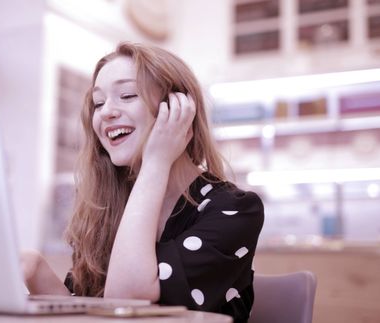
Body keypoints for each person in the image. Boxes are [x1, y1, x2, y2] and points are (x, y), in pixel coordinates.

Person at [22, 42, 264, 323]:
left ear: (177, 109)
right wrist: (36, 271)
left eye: (127, 95)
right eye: (98, 103)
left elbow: (126, 299)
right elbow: (91, 315)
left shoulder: (235, 209)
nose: (106, 112)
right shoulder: (108, 206)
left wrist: (156, 162)